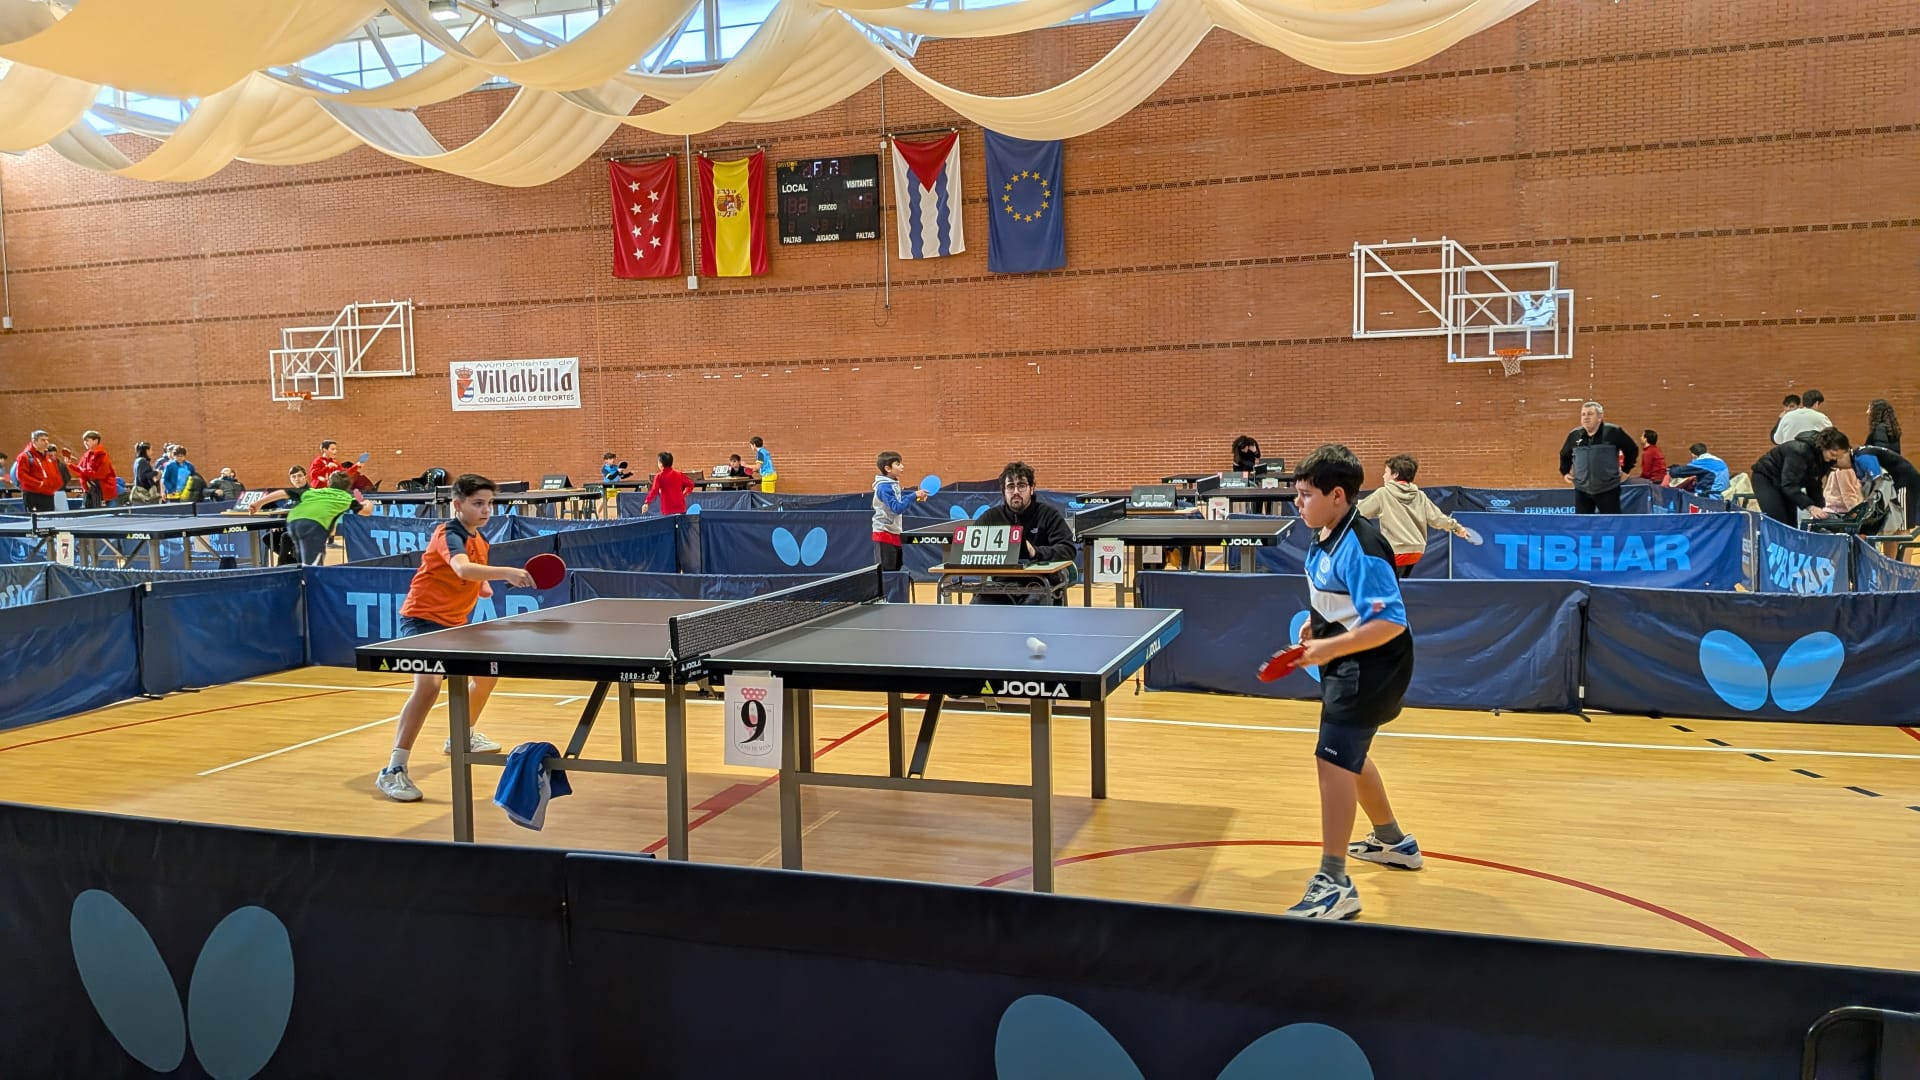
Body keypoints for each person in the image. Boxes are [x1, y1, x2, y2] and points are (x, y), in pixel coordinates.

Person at [1283, 443, 1418, 921]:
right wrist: (1317, 622)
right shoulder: (1326, 532)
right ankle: (1394, 842)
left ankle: (1334, 882)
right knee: (1349, 756)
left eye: (1305, 495)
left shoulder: (1361, 545)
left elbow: (1390, 621)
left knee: (1332, 760)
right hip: (1350, 661)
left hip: (1370, 668)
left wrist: (1327, 648)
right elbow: (1340, 598)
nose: (1298, 503)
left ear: (1337, 495)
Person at [376, 474, 534, 802]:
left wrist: (485, 584)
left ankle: (461, 735)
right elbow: (462, 569)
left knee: (486, 676)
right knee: (429, 686)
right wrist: (505, 572)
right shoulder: (448, 533)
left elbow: (475, 579)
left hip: (455, 624)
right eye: (478, 503)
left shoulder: (480, 540)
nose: (486, 510)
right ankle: (393, 769)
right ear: (457, 504)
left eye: (489, 503)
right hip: (422, 619)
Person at [973, 462, 1077, 605]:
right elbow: (970, 549)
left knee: (1031, 606)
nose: (1016, 491)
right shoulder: (990, 517)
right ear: (1004, 491)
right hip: (1002, 586)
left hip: (1041, 584)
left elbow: (1068, 549)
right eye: (1010, 486)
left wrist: (1035, 552)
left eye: (1021, 485)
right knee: (979, 602)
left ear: (1032, 488)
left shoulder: (1048, 515)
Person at [1356, 455, 1473, 578]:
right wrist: (1457, 528)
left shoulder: (1383, 493)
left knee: (1373, 576)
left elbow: (1359, 512)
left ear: (1395, 475)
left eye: (1386, 472)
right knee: (1397, 582)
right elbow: (1437, 519)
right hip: (1416, 551)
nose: (1383, 476)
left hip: (1396, 550)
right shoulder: (1420, 495)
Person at [1750, 428, 1851, 525]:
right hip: (1766, 477)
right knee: (1778, 521)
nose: (1834, 459)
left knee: (1791, 523)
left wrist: (1820, 508)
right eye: (1832, 454)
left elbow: (1814, 484)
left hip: (1786, 482)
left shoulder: (1824, 459)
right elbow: (1789, 484)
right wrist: (1810, 507)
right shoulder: (1799, 452)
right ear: (1824, 447)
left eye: (1838, 457)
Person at [1557, 402, 1638, 514]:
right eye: (1583, 414)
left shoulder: (1613, 432)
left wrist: (1626, 470)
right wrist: (1565, 471)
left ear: (1600, 417)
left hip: (1608, 489)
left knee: (1611, 522)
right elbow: (1564, 454)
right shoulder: (1574, 435)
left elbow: (1632, 449)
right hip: (1582, 490)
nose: (1586, 417)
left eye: (1590, 414)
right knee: (1583, 523)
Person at [283, 472, 367, 564]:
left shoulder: (313, 491)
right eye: (294, 476)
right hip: (313, 527)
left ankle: (293, 564)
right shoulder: (347, 498)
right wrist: (361, 499)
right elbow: (365, 509)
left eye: (299, 476)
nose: (297, 479)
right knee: (311, 563)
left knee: (303, 557)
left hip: (295, 524)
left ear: (328, 483)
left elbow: (282, 493)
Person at [871, 451, 929, 571]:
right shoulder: (883, 487)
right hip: (884, 534)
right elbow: (897, 508)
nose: (902, 466)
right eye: (898, 464)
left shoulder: (892, 484)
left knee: (896, 570)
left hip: (894, 532)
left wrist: (916, 497)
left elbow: (898, 502)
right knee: (887, 574)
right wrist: (913, 495)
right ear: (888, 468)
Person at [13, 431, 64, 513]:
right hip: (33, 495)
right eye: (43, 440)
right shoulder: (25, 457)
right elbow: (21, 475)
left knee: (49, 519)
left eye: (47, 440)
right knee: (36, 520)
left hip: (49, 495)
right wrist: (39, 483)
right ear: (34, 441)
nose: (46, 442)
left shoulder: (48, 457)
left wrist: (57, 484)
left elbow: (56, 472)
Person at [73, 431, 120, 508]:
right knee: (87, 510)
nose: (85, 443)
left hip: (99, 489)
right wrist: (69, 464)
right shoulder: (86, 455)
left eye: (87, 440)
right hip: (89, 489)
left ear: (95, 441)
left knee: (98, 511)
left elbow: (100, 474)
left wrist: (83, 471)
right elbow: (79, 470)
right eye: (84, 441)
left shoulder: (102, 455)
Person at [1665, 443, 1729, 497]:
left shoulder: (1702, 462)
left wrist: (1669, 470)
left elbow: (1675, 472)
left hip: (1709, 495)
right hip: (1721, 494)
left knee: (1681, 496)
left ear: (1693, 454)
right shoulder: (1719, 460)